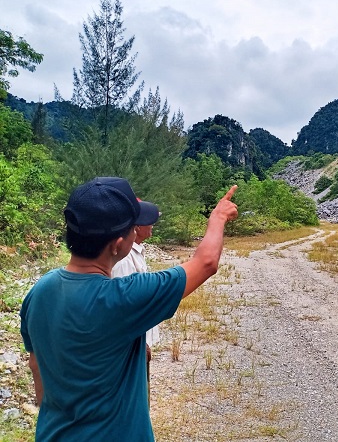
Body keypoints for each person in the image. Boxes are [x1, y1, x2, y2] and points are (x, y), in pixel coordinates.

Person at [20, 177, 238, 441]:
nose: (137, 232)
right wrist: (217, 218)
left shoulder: (39, 290)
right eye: (132, 229)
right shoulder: (123, 298)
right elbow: (206, 263)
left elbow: (36, 365)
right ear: (117, 244)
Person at [111, 198, 161, 404]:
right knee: (136, 398)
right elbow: (125, 306)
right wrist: (141, 344)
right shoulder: (124, 259)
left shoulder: (135, 252)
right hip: (133, 344)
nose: (152, 225)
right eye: (148, 221)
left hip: (139, 341)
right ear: (136, 228)